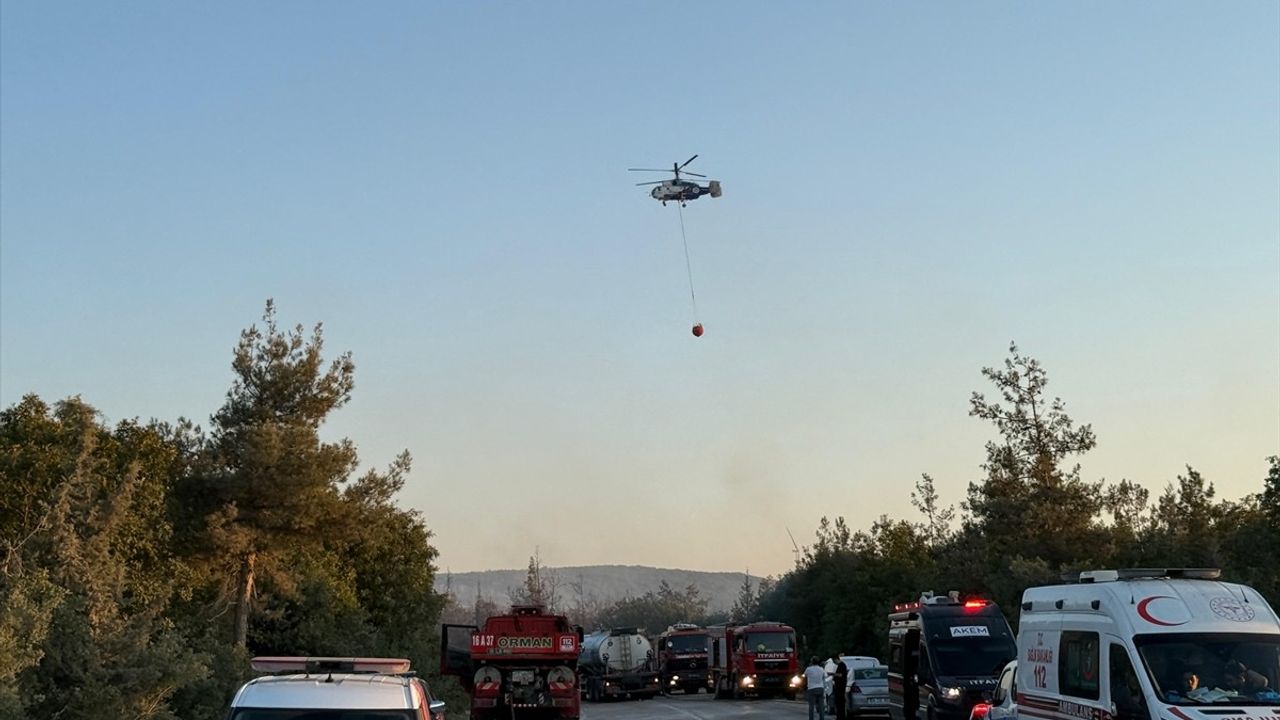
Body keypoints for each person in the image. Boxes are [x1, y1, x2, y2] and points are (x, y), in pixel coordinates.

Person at [831, 655, 849, 720]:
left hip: (840, 687)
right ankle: (839, 716)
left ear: (836, 659)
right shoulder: (840, 665)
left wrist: (832, 674)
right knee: (839, 703)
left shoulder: (842, 665)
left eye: (834, 661)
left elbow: (840, 674)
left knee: (840, 703)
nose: (834, 663)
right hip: (839, 687)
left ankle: (841, 716)